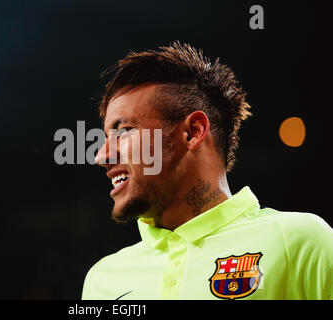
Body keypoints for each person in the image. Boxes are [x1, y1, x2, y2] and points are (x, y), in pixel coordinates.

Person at [81, 42, 333, 300]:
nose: (102, 156)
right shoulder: (101, 280)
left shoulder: (301, 242)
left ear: (192, 132)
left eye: (124, 131)